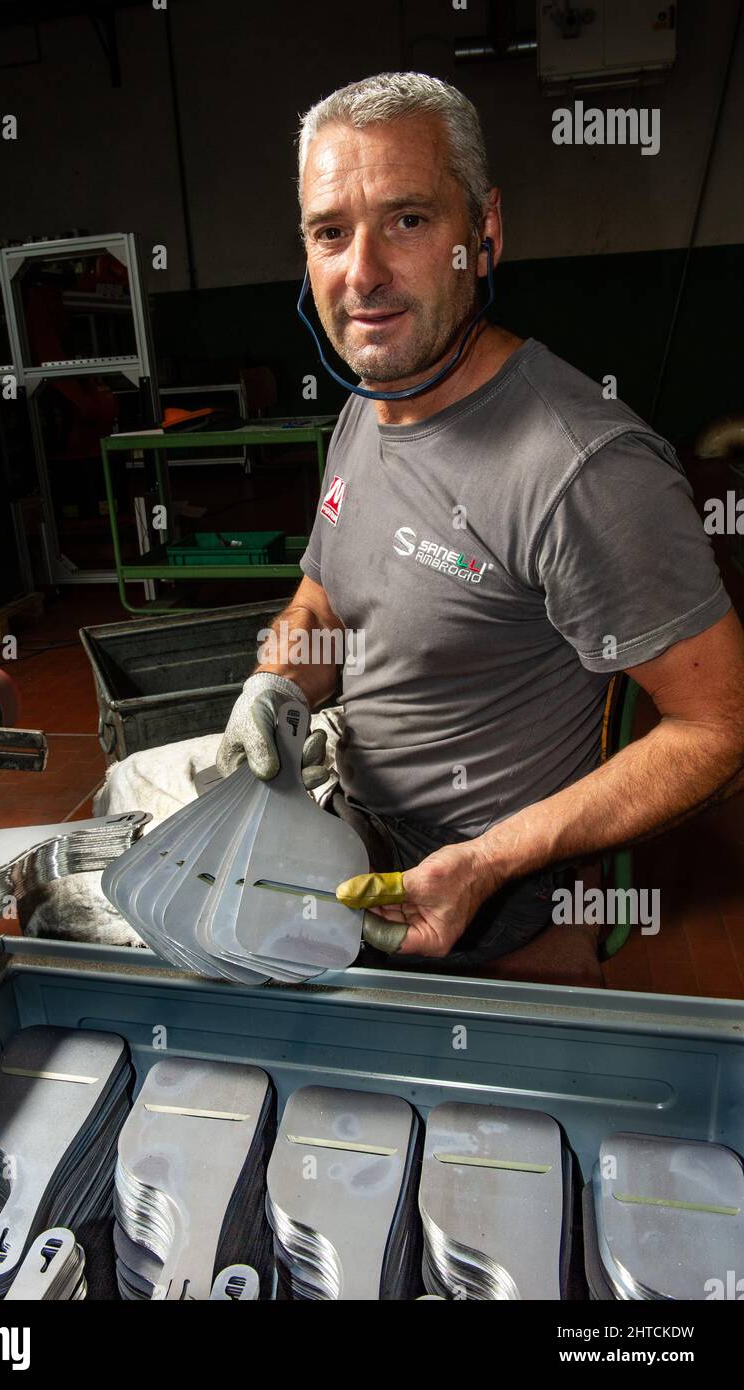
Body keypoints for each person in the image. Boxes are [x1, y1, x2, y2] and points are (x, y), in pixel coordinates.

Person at [217, 72, 744, 969]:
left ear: (483, 232)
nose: (364, 273)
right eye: (330, 232)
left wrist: (489, 862)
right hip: (349, 817)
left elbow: (718, 727)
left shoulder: (582, 469)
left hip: (475, 887)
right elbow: (327, 595)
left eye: (408, 220)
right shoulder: (371, 394)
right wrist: (276, 686)